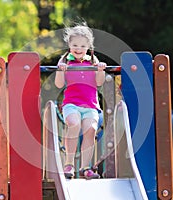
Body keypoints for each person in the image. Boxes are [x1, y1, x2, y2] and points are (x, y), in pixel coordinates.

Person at [55, 22, 106, 179]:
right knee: (74, 124)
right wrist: (60, 70)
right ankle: (69, 164)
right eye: (75, 45)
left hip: (90, 105)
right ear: (69, 45)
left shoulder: (93, 60)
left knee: (90, 129)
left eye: (82, 46)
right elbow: (58, 84)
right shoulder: (65, 61)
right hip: (72, 104)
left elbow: (99, 82)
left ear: (88, 46)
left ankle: (85, 167)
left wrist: (100, 70)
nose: (78, 49)